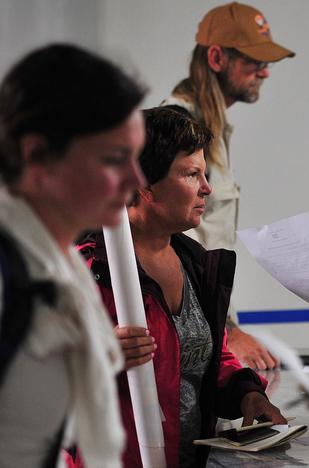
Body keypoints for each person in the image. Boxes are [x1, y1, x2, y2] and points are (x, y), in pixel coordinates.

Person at [78, 107, 286, 468]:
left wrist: (247, 394)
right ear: (142, 185)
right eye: (192, 174)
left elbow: (207, 357)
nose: (207, 188)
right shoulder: (88, 269)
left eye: (204, 173)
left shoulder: (195, 263)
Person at [0, 44, 145, 467]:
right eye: (115, 159)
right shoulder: (11, 273)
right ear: (37, 154)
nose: (135, 180)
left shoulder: (57, 265)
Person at [163, 1, 295, 369]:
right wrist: (228, 332)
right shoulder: (177, 130)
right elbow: (172, 243)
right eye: (255, 62)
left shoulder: (209, 131)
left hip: (206, 325)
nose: (265, 73)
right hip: (188, 329)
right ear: (218, 58)